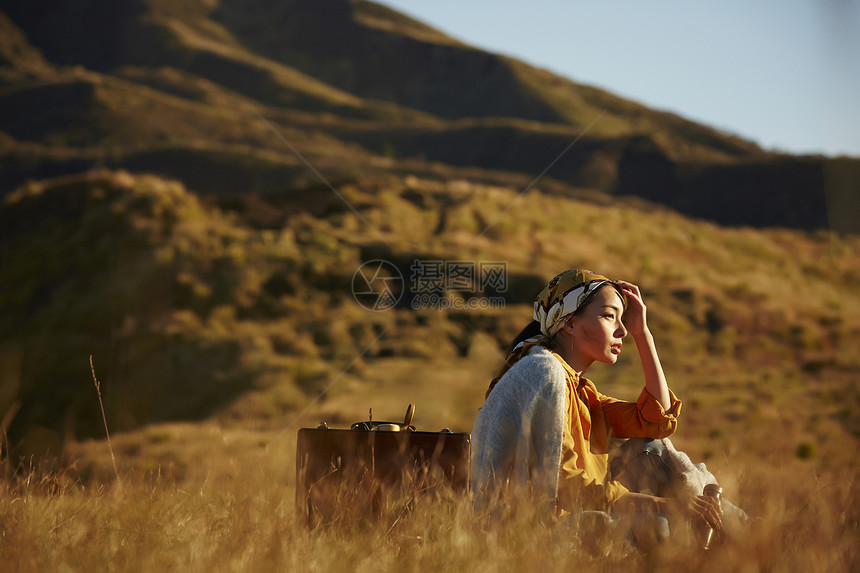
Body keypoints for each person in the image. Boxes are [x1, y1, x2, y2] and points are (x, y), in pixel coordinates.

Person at [470, 269, 722, 543]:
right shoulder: (543, 372)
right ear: (569, 323)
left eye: (622, 319)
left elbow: (655, 422)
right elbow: (562, 484)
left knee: (652, 448)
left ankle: (735, 536)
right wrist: (665, 504)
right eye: (608, 316)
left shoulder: (581, 392)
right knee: (658, 523)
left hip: (574, 518)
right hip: (536, 533)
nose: (622, 330)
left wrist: (643, 334)